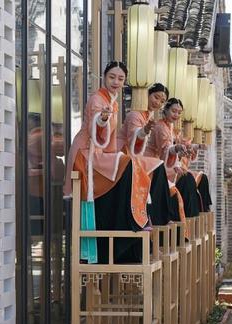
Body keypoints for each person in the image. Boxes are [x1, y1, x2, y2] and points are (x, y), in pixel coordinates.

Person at [64, 61, 149, 263]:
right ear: (104, 77)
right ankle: (128, 219)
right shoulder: (98, 99)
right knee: (128, 164)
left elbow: (110, 142)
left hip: (98, 152)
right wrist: (102, 120)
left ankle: (133, 218)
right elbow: (98, 128)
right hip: (86, 152)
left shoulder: (113, 102)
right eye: (112, 77)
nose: (116, 82)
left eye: (120, 79)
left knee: (129, 164)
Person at [116, 83, 171, 225]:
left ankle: (158, 217)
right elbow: (133, 141)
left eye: (162, 101)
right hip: (124, 155)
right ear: (146, 94)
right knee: (158, 167)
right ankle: (157, 218)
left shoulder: (149, 117)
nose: (157, 103)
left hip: (137, 157)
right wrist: (144, 131)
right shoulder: (135, 115)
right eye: (156, 97)